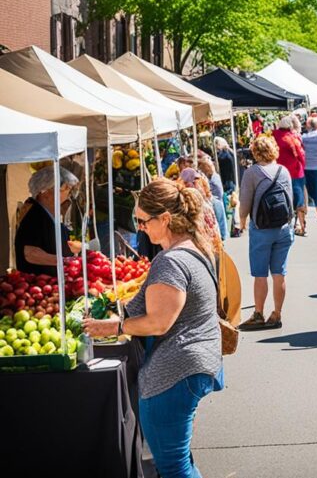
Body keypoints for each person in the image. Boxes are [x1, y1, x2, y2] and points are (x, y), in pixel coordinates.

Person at [82, 178, 223, 478]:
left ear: (166, 219)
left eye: (143, 220)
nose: (140, 227)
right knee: (179, 457)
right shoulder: (195, 247)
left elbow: (159, 322)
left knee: (173, 466)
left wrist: (115, 327)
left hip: (175, 370)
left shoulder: (170, 261)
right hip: (194, 363)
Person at [238, 136, 294, 330]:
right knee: (280, 273)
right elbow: (290, 200)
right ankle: (277, 313)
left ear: (255, 152)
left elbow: (245, 201)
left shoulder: (252, 172)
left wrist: (242, 220)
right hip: (283, 228)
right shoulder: (283, 170)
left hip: (262, 228)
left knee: (260, 274)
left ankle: (258, 313)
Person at [15, 167, 81, 276]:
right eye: (66, 188)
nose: (69, 193)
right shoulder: (34, 216)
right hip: (38, 285)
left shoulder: (49, 215)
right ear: (46, 191)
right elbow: (30, 253)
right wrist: (66, 261)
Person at [273, 115, 307, 237]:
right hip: (295, 172)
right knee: (299, 198)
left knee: (281, 196)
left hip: (277, 172)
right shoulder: (292, 138)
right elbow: (301, 155)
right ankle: (300, 225)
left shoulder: (272, 136)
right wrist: (304, 165)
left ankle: (283, 222)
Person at [196, 157, 228, 240]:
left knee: (218, 219)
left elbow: (219, 191)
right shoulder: (210, 176)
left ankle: (222, 235)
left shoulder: (213, 177)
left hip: (215, 200)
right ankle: (222, 235)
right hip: (215, 200)